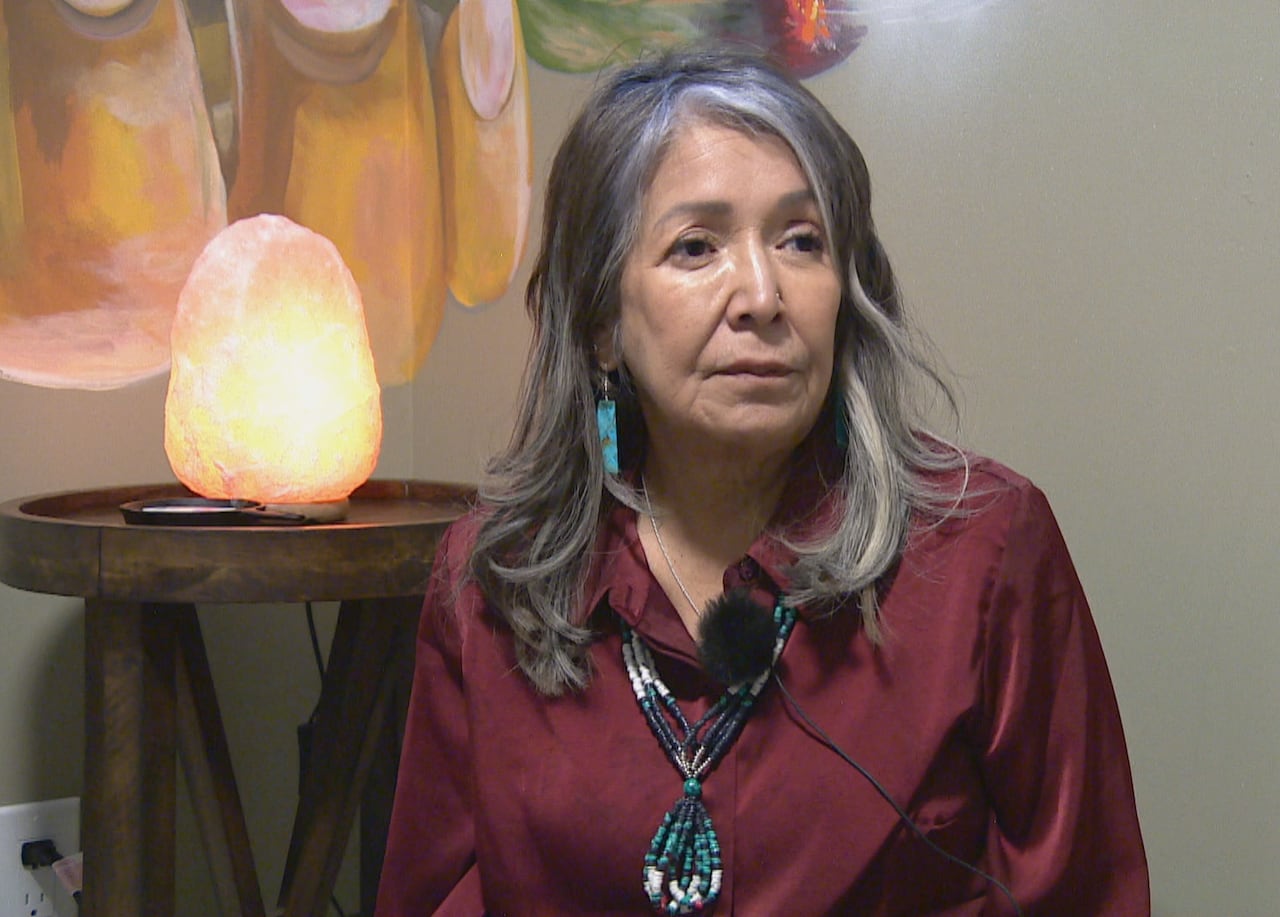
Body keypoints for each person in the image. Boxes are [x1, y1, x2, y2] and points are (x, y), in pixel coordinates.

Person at [376, 46, 1149, 916]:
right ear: (601, 323)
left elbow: (1085, 894)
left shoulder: (988, 549)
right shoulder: (492, 577)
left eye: (801, 241)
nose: (761, 293)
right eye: (696, 246)